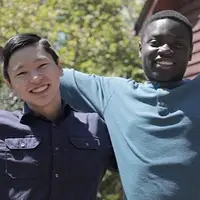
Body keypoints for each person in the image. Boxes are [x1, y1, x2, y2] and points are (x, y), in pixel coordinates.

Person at [60, 10, 200, 200]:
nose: (166, 49)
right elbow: (50, 74)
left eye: (177, 44)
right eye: (155, 43)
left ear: (191, 53)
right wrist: (10, 54)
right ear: (140, 49)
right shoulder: (113, 93)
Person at [0, 33, 117, 200]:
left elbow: (138, 167)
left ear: (59, 68)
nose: (35, 78)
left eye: (41, 65)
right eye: (21, 73)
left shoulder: (97, 126)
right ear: (10, 84)